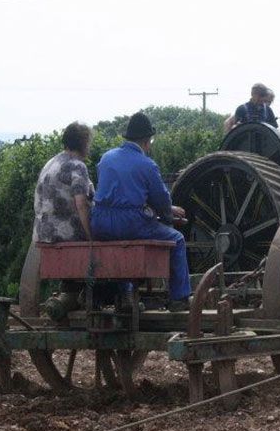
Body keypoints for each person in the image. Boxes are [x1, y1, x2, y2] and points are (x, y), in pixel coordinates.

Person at [90, 112, 192, 311]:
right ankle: (179, 298)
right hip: (130, 222)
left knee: (119, 244)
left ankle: (125, 292)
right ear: (147, 141)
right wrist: (169, 214)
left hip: (100, 221)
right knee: (177, 239)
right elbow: (161, 199)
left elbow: (115, 190)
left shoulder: (106, 158)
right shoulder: (147, 165)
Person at [33, 122, 94, 312]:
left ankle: (73, 293)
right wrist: (91, 236)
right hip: (65, 233)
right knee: (106, 239)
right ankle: (100, 293)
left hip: (43, 232)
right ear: (84, 143)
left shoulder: (51, 162)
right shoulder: (77, 166)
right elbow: (81, 204)